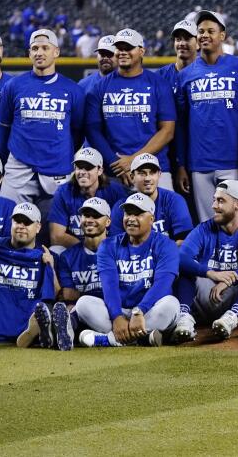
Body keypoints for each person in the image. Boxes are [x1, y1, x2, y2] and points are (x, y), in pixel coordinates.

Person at [174, 10, 238, 220]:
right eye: (200, 31)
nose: (204, 35)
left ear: (222, 35)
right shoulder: (185, 75)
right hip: (199, 163)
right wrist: (183, 165)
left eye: (211, 31)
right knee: (208, 225)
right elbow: (181, 125)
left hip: (234, 161)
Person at [76, 193, 181, 347]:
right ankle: (144, 338)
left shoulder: (166, 245)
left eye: (138, 213)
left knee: (171, 304)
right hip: (120, 311)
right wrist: (117, 317)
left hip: (149, 311)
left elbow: (163, 284)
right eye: (128, 213)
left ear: (152, 219)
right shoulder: (108, 245)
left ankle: (108, 340)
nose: (131, 218)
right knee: (83, 303)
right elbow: (109, 286)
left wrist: (140, 311)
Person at [0, 29, 86, 211]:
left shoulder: (73, 90)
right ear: (29, 53)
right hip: (18, 167)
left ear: (56, 52)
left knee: (59, 231)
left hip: (58, 167)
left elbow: (77, 132)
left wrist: (62, 153)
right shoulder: (13, 86)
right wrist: (10, 157)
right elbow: (3, 127)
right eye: (35, 48)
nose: (39, 53)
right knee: (9, 227)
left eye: (45, 48)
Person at [171, 180, 238, 343]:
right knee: (186, 269)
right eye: (214, 200)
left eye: (221, 201)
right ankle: (184, 317)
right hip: (208, 294)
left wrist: (231, 278)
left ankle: (231, 317)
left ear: (237, 204)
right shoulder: (203, 229)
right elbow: (181, 258)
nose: (214, 205)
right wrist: (211, 273)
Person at [86, 28, 176, 187]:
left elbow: (167, 131)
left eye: (128, 48)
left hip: (154, 168)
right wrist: (117, 163)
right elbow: (93, 131)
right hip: (115, 171)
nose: (122, 52)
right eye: (119, 48)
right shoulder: (99, 87)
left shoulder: (159, 84)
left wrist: (134, 159)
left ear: (142, 51)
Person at [0, 203, 58, 347]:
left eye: (27, 222)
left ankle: (36, 333)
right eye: (17, 221)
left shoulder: (46, 256)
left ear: (38, 227)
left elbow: (53, 293)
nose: (21, 226)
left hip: (27, 316)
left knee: (47, 306)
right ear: (11, 223)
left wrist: (51, 268)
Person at [47, 148, 128, 248]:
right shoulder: (64, 192)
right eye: (79, 167)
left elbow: (124, 232)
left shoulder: (116, 191)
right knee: (56, 249)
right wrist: (86, 250)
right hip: (77, 249)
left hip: (109, 250)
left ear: (99, 170)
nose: (82, 172)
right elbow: (57, 237)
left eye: (88, 167)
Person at [54, 197, 109, 305]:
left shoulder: (119, 251)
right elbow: (68, 295)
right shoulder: (67, 257)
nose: (89, 220)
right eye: (86, 215)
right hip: (82, 312)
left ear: (108, 222)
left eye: (96, 216)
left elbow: (124, 292)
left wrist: (80, 295)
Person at [156, 20, 199, 93]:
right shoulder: (160, 76)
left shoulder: (207, 76)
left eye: (187, 39)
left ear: (198, 44)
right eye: (178, 39)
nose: (181, 43)